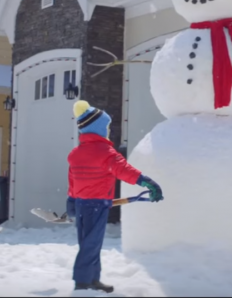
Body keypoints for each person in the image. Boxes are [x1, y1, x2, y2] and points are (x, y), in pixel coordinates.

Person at [67, 100, 164, 293]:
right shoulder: (105, 152)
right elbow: (124, 170)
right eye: (107, 127)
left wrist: (71, 200)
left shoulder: (76, 153)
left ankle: (92, 278)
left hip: (81, 204)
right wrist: (146, 182)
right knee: (92, 244)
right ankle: (83, 281)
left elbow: (72, 180)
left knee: (89, 242)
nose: (109, 130)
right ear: (98, 129)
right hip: (96, 205)